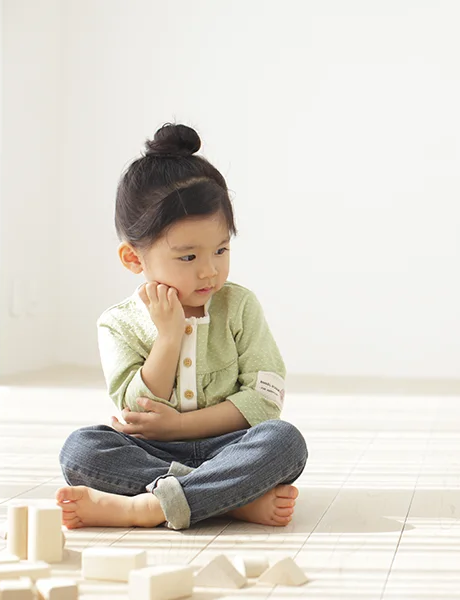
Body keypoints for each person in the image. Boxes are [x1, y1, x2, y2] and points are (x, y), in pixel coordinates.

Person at [55, 123, 307, 531]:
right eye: (188, 257)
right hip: (148, 452)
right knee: (80, 451)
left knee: (284, 441)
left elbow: (263, 403)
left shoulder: (239, 306)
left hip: (230, 447)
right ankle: (226, 500)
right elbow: (134, 413)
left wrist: (179, 426)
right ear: (133, 259)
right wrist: (169, 336)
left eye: (221, 249)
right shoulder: (118, 323)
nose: (210, 271)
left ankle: (147, 507)